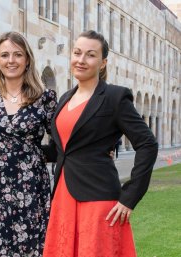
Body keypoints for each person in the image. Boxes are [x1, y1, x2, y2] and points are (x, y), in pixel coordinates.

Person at [43, 30, 158, 257]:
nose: (81, 60)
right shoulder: (65, 98)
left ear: (103, 62)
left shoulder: (115, 97)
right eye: (77, 53)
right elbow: (64, 151)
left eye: (90, 55)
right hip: (63, 197)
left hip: (98, 199)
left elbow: (147, 144)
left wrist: (130, 197)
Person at [0, 31, 57, 257]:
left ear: (27, 60)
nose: (11, 60)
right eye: (4, 55)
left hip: (32, 184)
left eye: (17, 54)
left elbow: (61, 142)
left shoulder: (45, 98)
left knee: (32, 246)